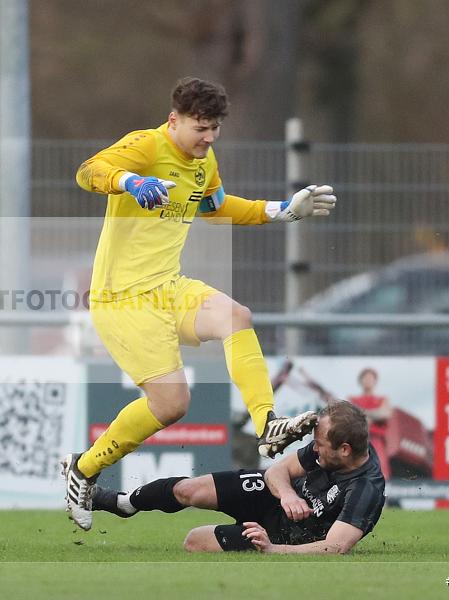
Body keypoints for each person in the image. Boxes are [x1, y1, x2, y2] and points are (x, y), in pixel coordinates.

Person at [62, 77, 338, 530]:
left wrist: (282, 210)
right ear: (174, 120)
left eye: (214, 129)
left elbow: (216, 205)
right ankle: (83, 470)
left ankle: (268, 424)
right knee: (172, 405)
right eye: (199, 128)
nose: (208, 138)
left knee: (236, 316)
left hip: (168, 287)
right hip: (122, 299)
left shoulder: (202, 159)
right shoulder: (146, 146)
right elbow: (88, 172)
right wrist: (129, 181)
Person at [94, 401, 385, 554]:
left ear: (344, 450)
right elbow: (277, 472)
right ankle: (125, 503)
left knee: (194, 542)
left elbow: (334, 547)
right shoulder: (331, 449)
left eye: (320, 445)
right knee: (189, 490)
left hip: (287, 536)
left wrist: (273, 550)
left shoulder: (365, 488)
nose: (314, 450)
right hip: (274, 497)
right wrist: (287, 494)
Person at [349, 368, 392, 479]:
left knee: (379, 474)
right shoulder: (353, 399)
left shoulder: (382, 399)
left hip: (376, 441)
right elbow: (349, 415)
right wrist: (373, 414)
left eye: (371, 378)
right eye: (365, 378)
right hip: (357, 441)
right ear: (361, 381)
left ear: (375, 381)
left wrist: (362, 412)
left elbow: (385, 414)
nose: (368, 380)